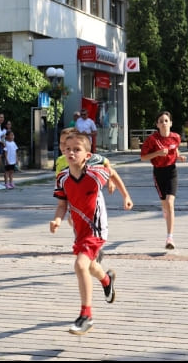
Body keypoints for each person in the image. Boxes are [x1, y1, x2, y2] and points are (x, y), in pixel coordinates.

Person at [49, 132, 132, 335]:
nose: (71, 152)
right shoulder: (62, 178)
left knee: (80, 265)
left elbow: (111, 172)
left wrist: (126, 196)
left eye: (77, 149)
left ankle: (86, 315)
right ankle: (106, 280)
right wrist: (58, 219)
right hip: (79, 230)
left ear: (87, 155)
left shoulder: (95, 173)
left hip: (96, 229)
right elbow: (62, 204)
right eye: (68, 149)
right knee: (91, 265)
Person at [140, 111, 187, 249]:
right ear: (157, 125)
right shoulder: (152, 140)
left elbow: (175, 149)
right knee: (164, 203)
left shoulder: (176, 137)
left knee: (170, 203)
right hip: (158, 172)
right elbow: (143, 157)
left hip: (172, 171)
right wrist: (158, 153)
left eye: (166, 120)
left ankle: (169, 238)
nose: (164, 123)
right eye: (161, 121)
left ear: (171, 123)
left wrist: (179, 156)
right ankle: (165, 209)